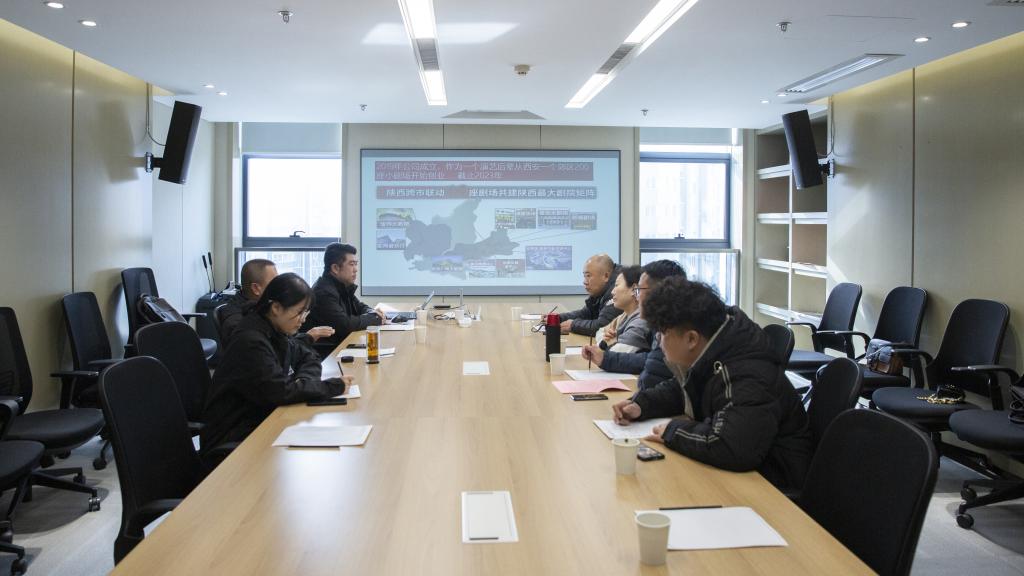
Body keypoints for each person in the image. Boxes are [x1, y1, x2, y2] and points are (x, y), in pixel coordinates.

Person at [611, 278, 812, 491]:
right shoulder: (718, 346)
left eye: (663, 333)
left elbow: (731, 446)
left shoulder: (746, 373)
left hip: (771, 485)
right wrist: (642, 404)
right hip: (742, 472)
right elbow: (684, 389)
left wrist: (673, 431)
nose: (659, 341)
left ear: (691, 339)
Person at [202, 273, 351, 449]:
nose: (303, 320)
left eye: (306, 312)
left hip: (262, 420)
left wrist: (305, 382)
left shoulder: (275, 330)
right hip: (234, 437)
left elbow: (308, 355)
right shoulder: (251, 341)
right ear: (276, 308)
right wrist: (331, 386)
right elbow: (280, 392)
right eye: (299, 312)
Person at [582, 259, 685, 390]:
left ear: (662, 292)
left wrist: (606, 356)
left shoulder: (672, 328)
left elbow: (649, 376)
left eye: (639, 290)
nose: (637, 296)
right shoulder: (660, 324)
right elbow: (650, 361)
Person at [219, 258, 333, 347]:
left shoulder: (265, 307)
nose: (280, 286)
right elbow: (273, 348)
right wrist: (307, 337)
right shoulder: (236, 320)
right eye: (274, 282)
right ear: (256, 288)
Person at [303, 243, 384, 346]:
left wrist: (372, 312)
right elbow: (345, 325)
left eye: (356, 264)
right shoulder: (323, 292)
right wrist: (375, 318)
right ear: (335, 268)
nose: (356, 269)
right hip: (327, 352)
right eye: (351, 264)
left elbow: (359, 307)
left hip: (341, 345)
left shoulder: (342, 286)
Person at [559, 254, 621, 337]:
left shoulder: (617, 290)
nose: (584, 282)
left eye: (588, 276)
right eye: (584, 276)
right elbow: (586, 313)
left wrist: (573, 325)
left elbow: (603, 326)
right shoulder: (601, 289)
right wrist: (559, 318)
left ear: (606, 276)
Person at [599, 265, 650, 352]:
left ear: (634, 290)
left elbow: (614, 354)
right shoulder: (624, 316)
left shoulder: (641, 321)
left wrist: (609, 343)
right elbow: (600, 332)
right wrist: (607, 340)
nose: (612, 292)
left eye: (616, 285)